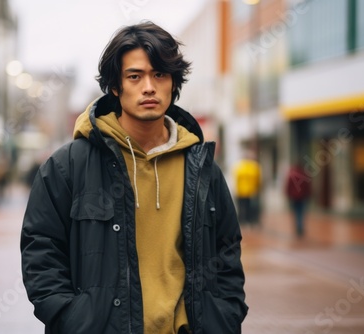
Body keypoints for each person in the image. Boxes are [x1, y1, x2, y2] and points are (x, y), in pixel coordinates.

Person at [20, 21, 248, 334]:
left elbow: (227, 252)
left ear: (173, 83)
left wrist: (222, 317)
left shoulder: (202, 168)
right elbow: (41, 250)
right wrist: (72, 319)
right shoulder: (68, 166)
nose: (149, 87)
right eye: (135, 76)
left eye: (159, 74)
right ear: (116, 86)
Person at [233, 153, 262, 227]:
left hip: (241, 191)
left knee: (242, 207)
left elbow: (236, 178)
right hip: (251, 191)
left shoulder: (239, 166)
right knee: (249, 207)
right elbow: (258, 179)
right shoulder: (254, 166)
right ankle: (249, 220)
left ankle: (242, 221)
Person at [285, 162, 312, 237]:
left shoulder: (292, 175)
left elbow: (288, 186)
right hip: (302, 197)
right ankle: (300, 226)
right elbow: (307, 186)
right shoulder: (304, 175)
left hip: (294, 197)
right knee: (301, 212)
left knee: (296, 212)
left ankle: (298, 226)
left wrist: (288, 194)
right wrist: (308, 194)